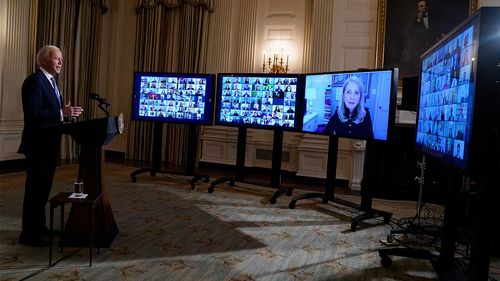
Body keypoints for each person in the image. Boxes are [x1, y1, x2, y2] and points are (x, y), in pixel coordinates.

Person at [18, 45, 83, 247]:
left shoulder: (52, 82)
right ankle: (28, 234)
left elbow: (54, 115)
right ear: (44, 60)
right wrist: (62, 112)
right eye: (57, 59)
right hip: (37, 146)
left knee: (43, 191)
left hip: (49, 147)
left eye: (62, 59)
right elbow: (33, 115)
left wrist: (67, 115)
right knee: (34, 191)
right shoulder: (34, 81)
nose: (61, 63)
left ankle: (40, 227)